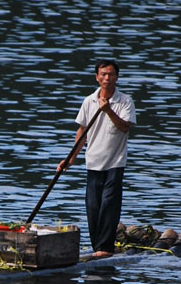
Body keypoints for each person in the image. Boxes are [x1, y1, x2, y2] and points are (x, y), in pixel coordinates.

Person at [57, 60, 136, 258]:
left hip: (115, 162)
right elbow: (82, 131)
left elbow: (125, 127)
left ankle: (105, 249)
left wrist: (108, 110)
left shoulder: (125, 101)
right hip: (93, 162)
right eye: (103, 74)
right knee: (93, 206)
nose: (107, 78)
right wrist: (70, 159)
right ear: (97, 77)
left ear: (117, 77)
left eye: (111, 74)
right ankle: (97, 248)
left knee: (109, 204)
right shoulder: (89, 101)